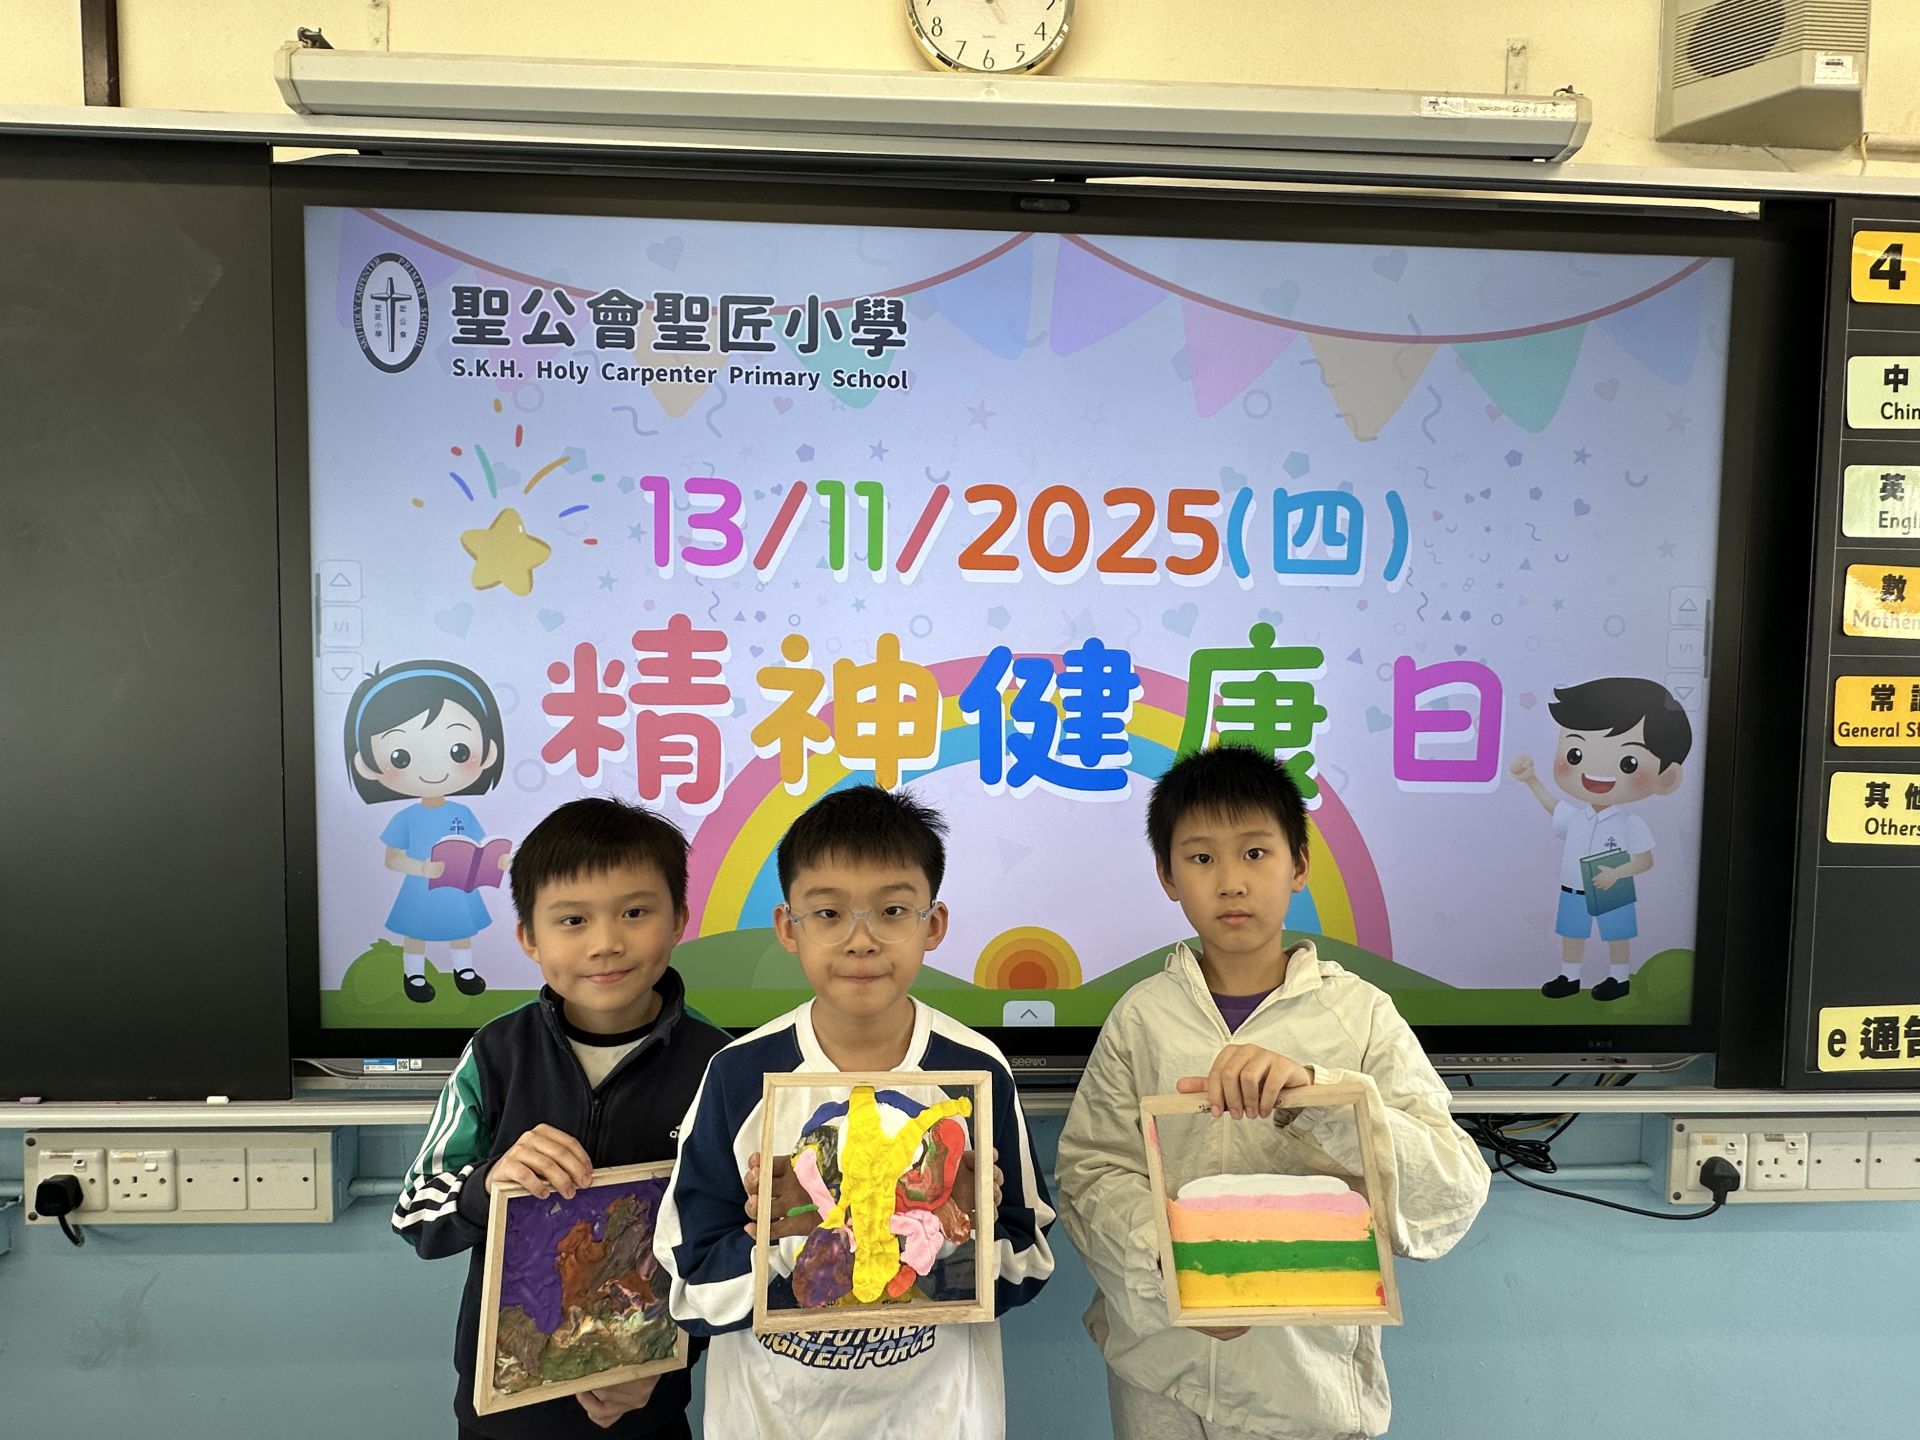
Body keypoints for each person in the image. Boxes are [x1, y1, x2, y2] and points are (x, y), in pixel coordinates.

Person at [1056, 744, 1490, 1440]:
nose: (1231, 882)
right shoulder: (1141, 1018)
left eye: (1255, 853)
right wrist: (1178, 1270)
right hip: (1161, 1376)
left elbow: (1452, 1188)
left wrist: (1321, 1097)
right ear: (1167, 876)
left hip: (1308, 1385)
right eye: (1201, 858)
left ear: (1299, 866)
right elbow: (1091, 1173)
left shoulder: (1360, 1014)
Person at [654, 784, 1054, 1440]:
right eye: (829, 913)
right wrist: (789, 1242)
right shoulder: (739, 1076)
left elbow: (1028, 1257)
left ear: (933, 924)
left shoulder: (975, 1070)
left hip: (938, 1422)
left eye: (893, 910)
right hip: (774, 1421)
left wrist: (960, 1232)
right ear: (789, 927)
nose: (861, 940)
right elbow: (690, 1284)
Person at [392, 797, 729, 1439]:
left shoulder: (720, 1067)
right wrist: (486, 1185)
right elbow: (413, 1213)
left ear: (679, 919)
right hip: (505, 1416)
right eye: (573, 920)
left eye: (635, 913)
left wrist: (670, 1354)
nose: (606, 943)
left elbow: (732, 1246)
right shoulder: (497, 1054)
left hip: (646, 1409)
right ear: (529, 937)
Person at [1508, 676, 1693, 1001]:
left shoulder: (1630, 822)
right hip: (1573, 888)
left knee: (1616, 935)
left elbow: (1645, 860)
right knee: (1572, 934)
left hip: (1613, 887)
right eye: (1575, 753)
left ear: (1666, 778)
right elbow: (1553, 807)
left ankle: (1618, 979)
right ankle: (1570, 977)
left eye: (1628, 763)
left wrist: (1616, 874)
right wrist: (1531, 780)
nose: (1594, 772)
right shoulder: (1578, 817)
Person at [342, 658, 510, 1004]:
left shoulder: (462, 812)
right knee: (415, 934)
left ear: (488, 752)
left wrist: (497, 861)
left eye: (458, 751)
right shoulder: (406, 817)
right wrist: (422, 869)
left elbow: (478, 849)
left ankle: (464, 972)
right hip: (421, 888)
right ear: (366, 765)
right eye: (400, 756)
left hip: (458, 888)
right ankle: (414, 976)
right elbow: (392, 859)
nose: (433, 770)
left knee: (461, 930)